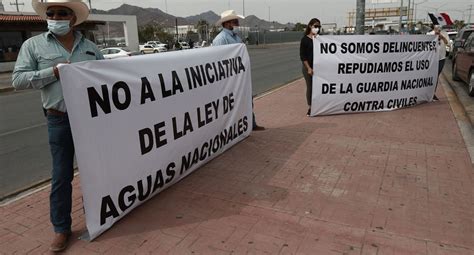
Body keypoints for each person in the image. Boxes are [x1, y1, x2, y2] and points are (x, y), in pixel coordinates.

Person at [12, 0, 103, 252]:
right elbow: (18, 79)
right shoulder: (33, 45)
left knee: (97, 171)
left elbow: (106, 76)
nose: (55, 16)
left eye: (62, 13)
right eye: (51, 13)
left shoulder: (91, 47)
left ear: (73, 19)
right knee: (61, 176)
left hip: (90, 120)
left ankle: (102, 215)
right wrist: (52, 72)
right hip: (59, 119)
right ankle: (61, 229)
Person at [213, 10, 265, 131]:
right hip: (230, 79)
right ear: (227, 23)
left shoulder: (236, 37)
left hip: (241, 77)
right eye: (235, 21)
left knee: (247, 99)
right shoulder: (220, 39)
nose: (237, 23)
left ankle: (251, 124)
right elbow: (218, 61)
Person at [300, 18, 321, 116]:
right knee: (310, 87)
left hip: (319, 68)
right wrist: (308, 68)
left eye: (319, 27)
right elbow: (303, 56)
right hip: (308, 68)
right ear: (310, 26)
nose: (317, 28)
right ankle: (310, 107)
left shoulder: (320, 39)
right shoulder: (304, 40)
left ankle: (319, 105)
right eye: (315, 26)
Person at [427, 24, 448, 101]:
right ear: (434, 27)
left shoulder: (444, 33)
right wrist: (434, 36)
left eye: (439, 27)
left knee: (436, 76)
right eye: (437, 27)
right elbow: (427, 44)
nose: (438, 29)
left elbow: (447, 43)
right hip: (432, 58)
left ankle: (433, 93)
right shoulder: (429, 34)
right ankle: (430, 93)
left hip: (441, 58)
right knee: (432, 75)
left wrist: (442, 37)